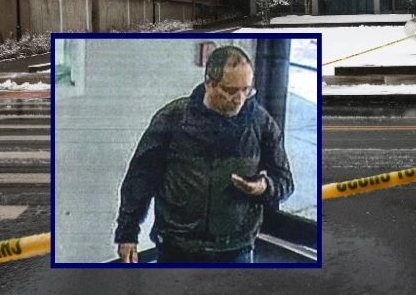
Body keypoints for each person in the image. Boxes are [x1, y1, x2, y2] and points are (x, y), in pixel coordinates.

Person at [113, 45, 294, 264]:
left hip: (235, 249)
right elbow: (140, 178)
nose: (239, 99)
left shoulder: (262, 124)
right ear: (210, 83)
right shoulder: (173, 119)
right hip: (177, 247)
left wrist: (264, 187)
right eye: (231, 90)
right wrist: (127, 234)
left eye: (246, 90)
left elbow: (285, 181)